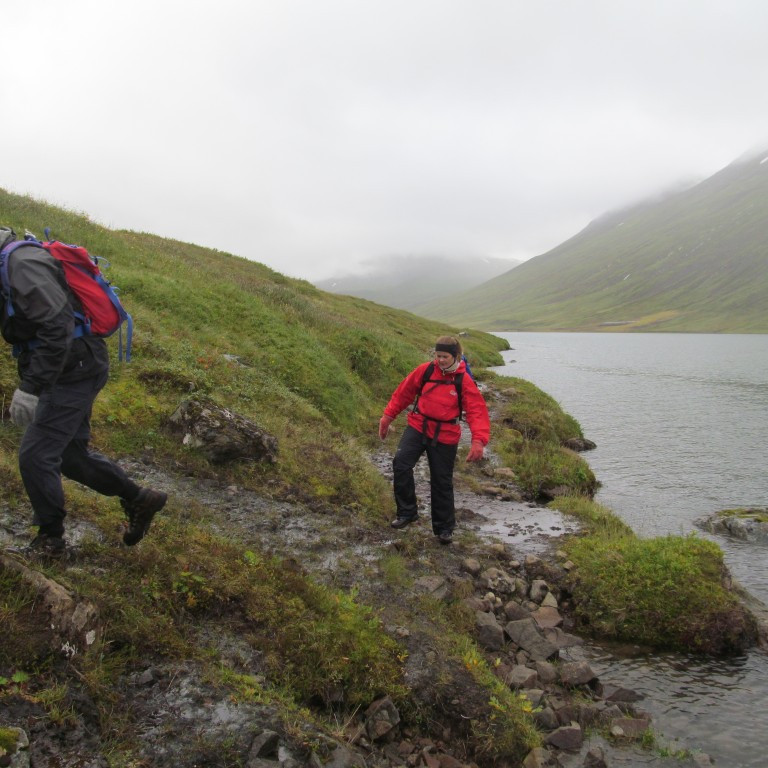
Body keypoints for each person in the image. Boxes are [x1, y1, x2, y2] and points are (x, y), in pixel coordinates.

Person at [0, 226, 167, 557]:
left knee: (36, 455)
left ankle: (51, 542)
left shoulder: (22, 264)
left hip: (74, 367)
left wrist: (31, 388)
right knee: (70, 457)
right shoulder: (12, 265)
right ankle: (139, 498)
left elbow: (57, 325)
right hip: (73, 364)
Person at [378, 335, 490, 544]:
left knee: (441, 480)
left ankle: (444, 528)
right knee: (400, 464)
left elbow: (476, 411)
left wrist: (478, 441)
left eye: (445, 356)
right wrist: (387, 417)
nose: (440, 360)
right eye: (437, 355)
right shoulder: (425, 370)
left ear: (456, 356)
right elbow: (403, 393)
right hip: (418, 426)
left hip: (446, 434)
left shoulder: (463, 379)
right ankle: (407, 513)